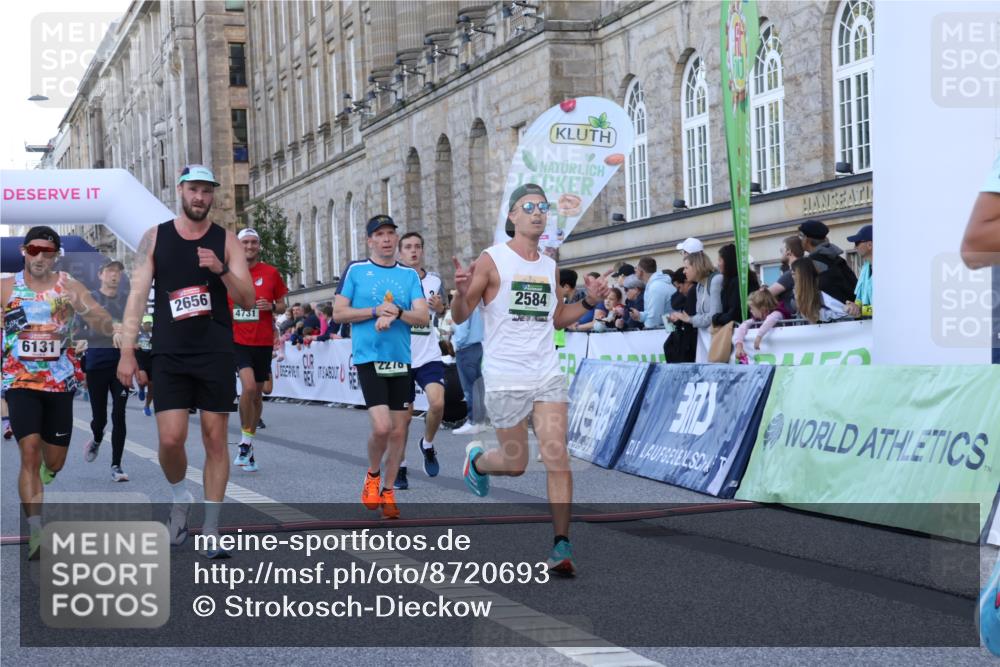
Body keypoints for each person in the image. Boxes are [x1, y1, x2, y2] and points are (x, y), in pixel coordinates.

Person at [451, 182, 610, 576]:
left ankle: (561, 545)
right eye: (528, 207)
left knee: (556, 453)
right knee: (516, 463)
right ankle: (478, 462)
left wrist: (589, 301)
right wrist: (459, 293)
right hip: (505, 374)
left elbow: (557, 319)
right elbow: (460, 315)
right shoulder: (492, 259)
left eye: (542, 207)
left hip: (546, 372)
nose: (537, 213)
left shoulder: (548, 265)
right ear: (512, 216)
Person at [117, 164, 255, 559]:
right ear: (180, 190)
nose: (200, 197)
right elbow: (137, 297)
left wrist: (221, 269)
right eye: (194, 189)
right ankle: (181, 497)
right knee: (170, 439)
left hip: (214, 350)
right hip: (170, 351)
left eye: (207, 191)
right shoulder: (155, 237)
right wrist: (127, 352)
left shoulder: (226, 240)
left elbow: (247, 299)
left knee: (215, 439)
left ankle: (211, 529)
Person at [3, 226, 114, 559]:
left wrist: (95, 325)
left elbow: (102, 320)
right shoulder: (6, 288)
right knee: (29, 451)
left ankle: (48, 471)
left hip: (59, 383)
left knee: (54, 461)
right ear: (23, 251)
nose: (40, 257)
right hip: (20, 382)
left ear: (56, 255)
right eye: (34, 250)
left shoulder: (69, 286)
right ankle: (36, 531)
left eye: (47, 251)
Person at [333, 215, 428, 519]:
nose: (386, 239)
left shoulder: (409, 275)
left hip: (400, 358)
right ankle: (373, 475)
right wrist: (375, 311)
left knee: (399, 430)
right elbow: (338, 313)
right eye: (380, 234)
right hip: (369, 357)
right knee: (382, 427)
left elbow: (422, 317)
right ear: (369, 240)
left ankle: (388, 490)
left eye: (390, 233)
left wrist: (397, 312)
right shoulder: (356, 270)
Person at [230, 227, 288, 473]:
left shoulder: (270, 273)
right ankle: (245, 443)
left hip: (262, 341)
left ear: (259, 246)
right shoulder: (229, 273)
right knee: (249, 387)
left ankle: (248, 443)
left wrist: (272, 306)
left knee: (257, 395)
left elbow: (283, 305)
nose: (250, 246)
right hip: (238, 340)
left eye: (254, 242)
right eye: (245, 242)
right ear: (238, 245)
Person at [395, 231, 446, 489]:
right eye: (408, 247)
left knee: (437, 403)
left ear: (423, 250)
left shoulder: (435, 280)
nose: (413, 251)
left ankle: (427, 444)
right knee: (403, 417)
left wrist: (440, 308)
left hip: (428, 354)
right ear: (400, 252)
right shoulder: (392, 280)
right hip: (401, 356)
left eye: (417, 246)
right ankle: (400, 467)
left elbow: (443, 310)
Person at [81, 259, 131, 481]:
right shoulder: (90, 299)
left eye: (118, 272)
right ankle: (97, 438)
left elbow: (136, 328)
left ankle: (116, 465)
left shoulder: (127, 300)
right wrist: (112, 331)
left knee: (119, 414)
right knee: (99, 419)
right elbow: (79, 331)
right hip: (97, 364)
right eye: (110, 271)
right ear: (100, 274)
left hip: (121, 364)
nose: (114, 275)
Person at [668, 250, 722, 362]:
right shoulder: (699, 286)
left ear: (696, 267)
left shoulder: (715, 280)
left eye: (686, 268)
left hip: (718, 340)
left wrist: (690, 319)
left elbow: (714, 316)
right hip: (706, 341)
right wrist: (688, 319)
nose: (684, 271)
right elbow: (700, 314)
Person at [798, 220, 857, 304]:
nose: (799, 240)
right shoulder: (837, 258)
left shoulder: (811, 263)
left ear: (806, 239)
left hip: (834, 310)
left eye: (800, 236)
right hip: (851, 308)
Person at [451, 303, 485, 435]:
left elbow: (462, 329)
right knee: (477, 387)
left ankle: (473, 421)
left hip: (465, 348)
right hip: (477, 346)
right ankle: (479, 421)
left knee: (469, 388)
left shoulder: (464, 302)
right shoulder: (476, 303)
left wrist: (456, 343)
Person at [712, 243, 761, 329]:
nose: (718, 264)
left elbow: (734, 314)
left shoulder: (737, 282)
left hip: (742, 329)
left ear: (728, 261)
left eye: (720, 260)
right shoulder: (744, 279)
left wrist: (716, 318)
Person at [791, 258, 847, 324]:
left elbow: (842, 311)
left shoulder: (822, 287)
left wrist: (819, 314)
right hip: (823, 327)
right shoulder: (799, 291)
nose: (792, 277)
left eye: (794, 273)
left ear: (802, 275)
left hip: (841, 326)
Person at [733, 290, 784, 362]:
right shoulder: (755, 320)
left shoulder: (777, 313)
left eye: (752, 308)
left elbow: (771, 319)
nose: (750, 311)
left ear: (762, 309)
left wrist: (759, 336)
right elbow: (742, 327)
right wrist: (739, 346)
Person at [664, 269, 698, 362]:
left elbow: (688, 317)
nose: (680, 291)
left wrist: (679, 318)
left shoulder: (693, 292)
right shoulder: (690, 293)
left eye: (679, 287)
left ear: (687, 282)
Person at [631, 256, 675, 329]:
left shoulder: (656, 287)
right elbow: (655, 313)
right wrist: (639, 316)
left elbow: (654, 318)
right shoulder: (655, 284)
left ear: (641, 271)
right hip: (669, 328)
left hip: (669, 330)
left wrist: (647, 330)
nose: (635, 271)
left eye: (636, 268)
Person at [767, 235, 805, 317]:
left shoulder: (792, 273)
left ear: (789, 251)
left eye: (782, 250)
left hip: (794, 320)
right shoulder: (804, 269)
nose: (780, 253)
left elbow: (764, 295)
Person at [844, 224, 873, 317]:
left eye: (857, 243)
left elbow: (885, 308)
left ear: (870, 245)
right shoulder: (865, 268)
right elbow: (859, 299)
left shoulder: (888, 270)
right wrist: (854, 307)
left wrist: (861, 310)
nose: (854, 247)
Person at [136, 314, 155, 415]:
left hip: (151, 360)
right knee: (144, 380)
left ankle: (147, 406)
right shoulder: (137, 332)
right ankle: (141, 387)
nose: (148, 325)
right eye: (146, 323)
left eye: (150, 323)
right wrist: (134, 344)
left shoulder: (155, 332)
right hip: (140, 360)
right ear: (142, 324)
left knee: (152, 386)